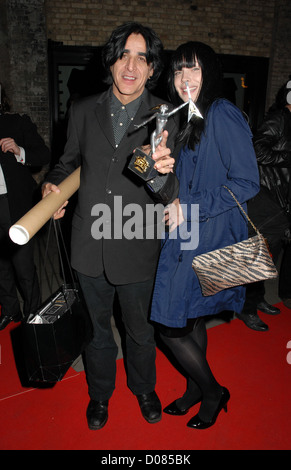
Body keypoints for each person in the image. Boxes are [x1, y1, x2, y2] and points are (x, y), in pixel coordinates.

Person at [42, 22, 178, 430]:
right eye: (124, 54)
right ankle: (100, 395)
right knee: (97, 331)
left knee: (139, 331)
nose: (131, 65)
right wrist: (54, 183)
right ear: (112, 60)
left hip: (137, 245)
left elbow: (171, 186)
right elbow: (68, 162)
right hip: (87, 245)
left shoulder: (164, 115)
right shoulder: (83, 109)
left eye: (141, 57)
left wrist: (159, 175)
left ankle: (143, 388)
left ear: (152, 68)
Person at [150, 41, 260, 429]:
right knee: (191, 315)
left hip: (212, 233)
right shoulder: (185, 116)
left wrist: (188, 207)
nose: (185, 79)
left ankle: (212, 390)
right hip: (186, 232)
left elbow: (248, 182)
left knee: (168, 324)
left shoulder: (222, 113)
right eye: (179, 71)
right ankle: (197, 388)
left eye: (193, 69)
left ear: (208, 73)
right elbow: (185, 177)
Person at [236, 77, 291, 332]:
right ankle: (245, 308)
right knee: (257, 256)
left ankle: (257, 299)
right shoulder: (279, 118)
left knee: (269, 257)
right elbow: (257, 150)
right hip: (267, 197)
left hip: (281, 200)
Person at [0, 84, 50, 331]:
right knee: (1, 266)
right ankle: (11, 311)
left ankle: (34, 314)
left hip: (14, 203)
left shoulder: (16, 122)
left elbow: (43, 154)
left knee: (23, 266)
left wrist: (19, 151)